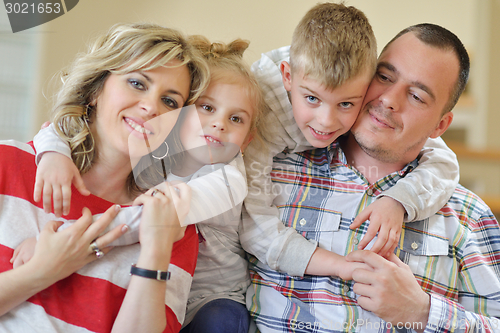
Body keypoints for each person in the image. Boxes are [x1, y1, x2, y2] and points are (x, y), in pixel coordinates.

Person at [248, 23, 500, 332]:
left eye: (417, 96)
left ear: (440, 126)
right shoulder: (272, 171)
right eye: (384, 77)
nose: (390, 99)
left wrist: (421, 312)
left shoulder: (468, 217)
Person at [15, 35, 269, 333]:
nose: (219, 124)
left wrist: (64, 240)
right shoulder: (161, 154)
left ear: (247, 140)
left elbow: (152, 218)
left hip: (212, 296)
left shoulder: (229, 181)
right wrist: (52, 154)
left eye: (236, 119)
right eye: (207, 108)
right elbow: (60, 128)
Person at [240, 2, 460, 282]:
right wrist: (339, 266)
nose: (326, 122)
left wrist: (398, 201)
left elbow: (442, 160)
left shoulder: (365, 93)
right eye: (311, 99)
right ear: (287, 77)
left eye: (345, 103)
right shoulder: (260, 116)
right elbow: (255, 226)